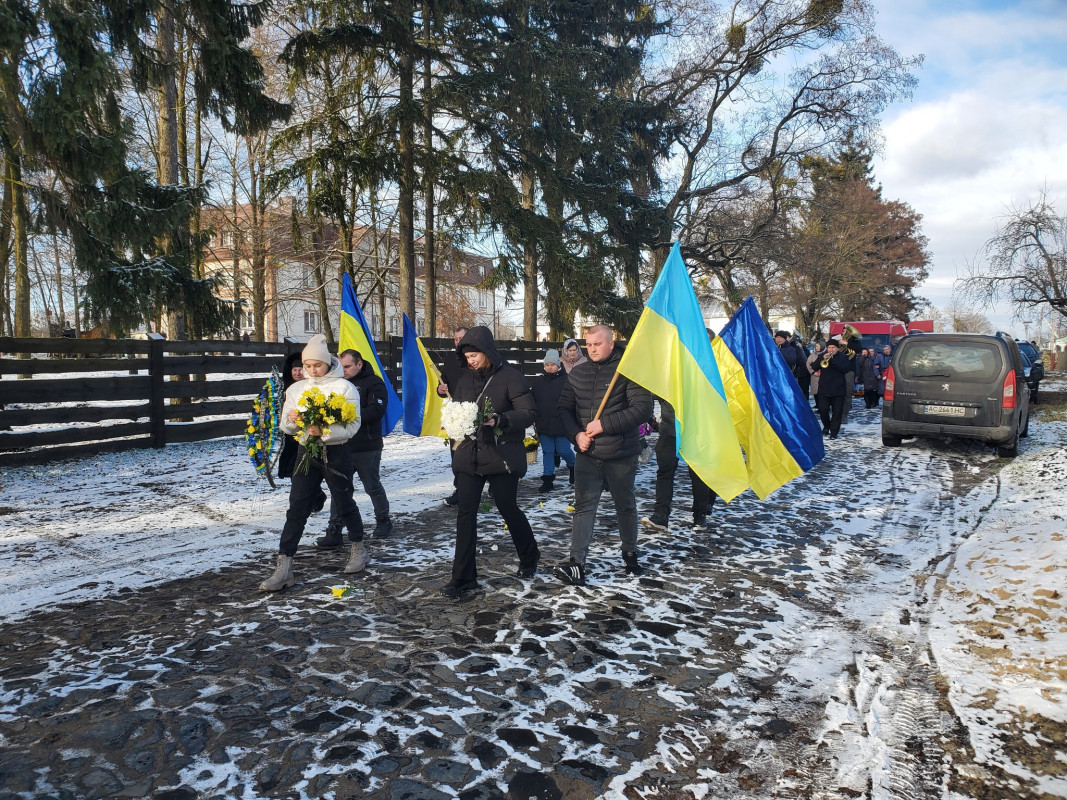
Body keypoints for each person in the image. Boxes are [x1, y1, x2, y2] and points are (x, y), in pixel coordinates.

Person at [260, 335, 367, 591]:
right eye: (307, 366)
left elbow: (353, 425)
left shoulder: (344, 388)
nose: (311, 370)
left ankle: (359, 547)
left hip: (336, 453)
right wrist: (294, 420)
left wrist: (326, 432)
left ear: (327, 363)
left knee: (344, 502)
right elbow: (286, 424)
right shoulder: (296, 389)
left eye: (316, 365)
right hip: (306, 453)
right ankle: (284, 565)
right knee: (297, 506)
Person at [442, 326, 540, 597]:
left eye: (475, 354)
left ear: (487, 352)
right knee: (466, 512)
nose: (471, 360)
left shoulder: (511, 377)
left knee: (507, 507)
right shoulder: (464, 379)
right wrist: (453, 423)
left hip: (501, 454)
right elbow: (459, 409)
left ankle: (530, 555)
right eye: (468, 355)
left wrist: (501, 420)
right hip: (469, 455)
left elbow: (529, 412)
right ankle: (463, 577)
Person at [554, 324, 653, 586]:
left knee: (625, 505)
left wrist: (604, 425)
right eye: (589, 344)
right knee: (584, 507)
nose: (592, 348)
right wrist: (576, 435)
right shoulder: (579, 372)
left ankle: (630, 554)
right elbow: (564, 409)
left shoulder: (628, 370)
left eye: (598, 344)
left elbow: (642, 409)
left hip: (621, 453)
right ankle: (577, 563)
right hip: (588, 454)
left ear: (611, 342)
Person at [316, 349, 393, 549]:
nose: (344, 370)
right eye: (342, 366)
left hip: (367, 446)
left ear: (359, 364)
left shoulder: (374, 383)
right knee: (339, 488)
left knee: (372, 485)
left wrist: (348, 415)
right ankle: (335, 529)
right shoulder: (338, 383)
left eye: (348, 366)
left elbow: (377, 410)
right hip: (341, 445)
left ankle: (383, 519)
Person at [642, 399, 718, 532]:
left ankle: (700, 515)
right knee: (665, 472)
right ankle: (661, 515)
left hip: (696, 429)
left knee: (698, 474)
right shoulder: (666, 377)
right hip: (670, 429)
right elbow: (652, 388)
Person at [529, 348, 576, 492]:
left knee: (564, 450)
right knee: (548, 452)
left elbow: (572, 400)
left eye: (552, 364)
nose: (550, 367)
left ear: (558, 365)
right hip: (544, 423)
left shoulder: (566, 380)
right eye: (547, 364)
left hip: (561, 423)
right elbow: (532, 400)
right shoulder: (538, 382)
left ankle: (574, 467)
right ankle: (548, 479)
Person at [437, 326, 468, 506]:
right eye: (455, 339)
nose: (458, 342)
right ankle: (460, 488)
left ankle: (493, 485)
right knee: (456, 453)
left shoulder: (478, 358)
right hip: (455, 413)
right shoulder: (450, 358)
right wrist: (440, 389)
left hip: (475, 410)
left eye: (461, 338)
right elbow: (443, 381)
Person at [813, 339, 853, 440]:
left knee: (837, 412)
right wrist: (821, 358)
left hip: (838, 389)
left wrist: (832, 361)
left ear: (837, 348)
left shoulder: (843, 357)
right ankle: (826, 426)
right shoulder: (822, 356)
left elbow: (845, 369)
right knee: (822, 410)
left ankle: (834, 432)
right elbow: (814, 367)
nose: (831, 350)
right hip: (824, 388)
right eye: (829, 347)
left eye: (833, 347)